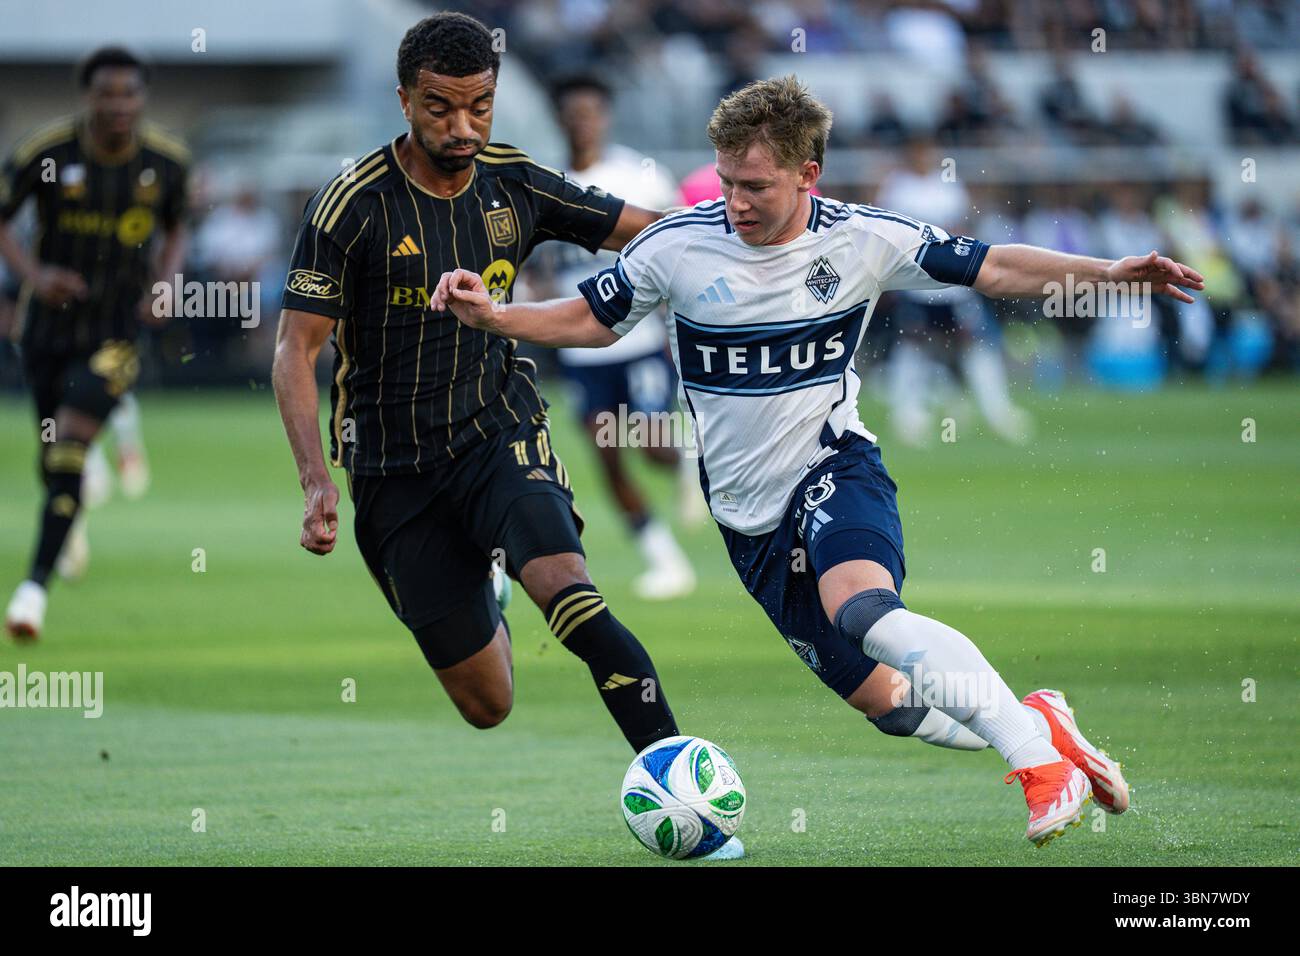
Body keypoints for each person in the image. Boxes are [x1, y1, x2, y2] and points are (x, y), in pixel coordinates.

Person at [433, 77, 1206, 846]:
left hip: (833, 465)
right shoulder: (676, 247)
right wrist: (500, 318)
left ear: (809, 174)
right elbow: (592, 321)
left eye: (757, 185)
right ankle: (1039, 720)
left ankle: (1038, 763)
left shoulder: (863, 238)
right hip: (747, 520)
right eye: (728, 181)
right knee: (896, 708)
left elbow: (992, 266)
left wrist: (1104, 274)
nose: (736, 201)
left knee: (864, 609)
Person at [270, 13, 742, 857]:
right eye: (440, 109)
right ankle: (481, 587)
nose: (462, 129)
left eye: (479, 107)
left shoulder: (516, 183)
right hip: (391, 469)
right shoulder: (352, 205)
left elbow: (649, 226)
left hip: (499, 432)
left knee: (569, 590)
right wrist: (315, 483)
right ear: (405, 99)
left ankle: (685, 796)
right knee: (488, 704)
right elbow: (294, 351)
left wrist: (756, 225)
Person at [2, 46, 188, 638]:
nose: (118, 105)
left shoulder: (166, 161)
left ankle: (31, 591)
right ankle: (70, 515)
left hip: (116, 331)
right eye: (106, 94)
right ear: (88, 96)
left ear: (141, 99)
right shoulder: (45, 154)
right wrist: (34, 275)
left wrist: (166, 282)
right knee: (54, 449)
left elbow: (178, 225)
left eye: (129, 94)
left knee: (72, 442)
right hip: (46, 331)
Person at [543, 73, 695, 599]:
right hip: (581, 351)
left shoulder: (637, 177)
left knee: (652, 446)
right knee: (607, 455)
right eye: (572, 113)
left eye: (590, 112)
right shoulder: (546, 182)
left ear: (604, 117)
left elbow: (681, 242)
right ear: (560, 118)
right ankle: (665, 559)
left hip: (637, 342)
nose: (581, 122)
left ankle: (690, 462)